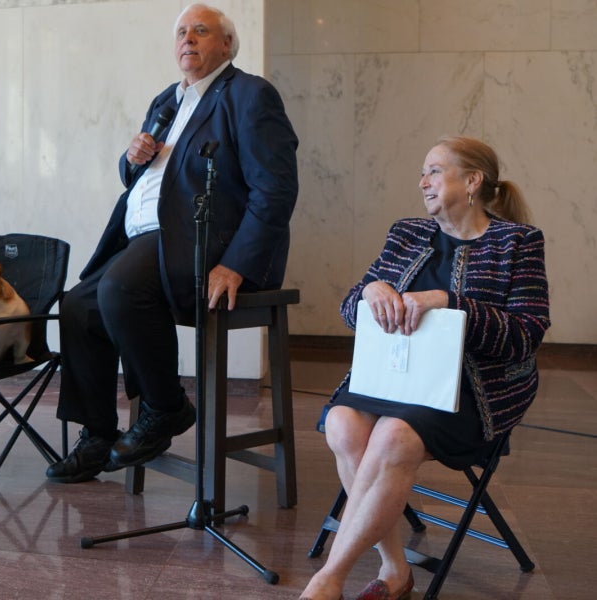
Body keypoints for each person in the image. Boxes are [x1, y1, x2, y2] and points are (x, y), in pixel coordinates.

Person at [46, 3, 299, 484]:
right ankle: (97, 435)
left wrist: (237, 263)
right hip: (144, 240)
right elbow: (138, 178)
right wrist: (131, 158)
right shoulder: (167, 100)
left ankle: (165, 408)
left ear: (227, 44)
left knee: (120, 288)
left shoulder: (249, 94)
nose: (187, 39)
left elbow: (276, 187)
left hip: (204, 245)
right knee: (79, 305)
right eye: (182, 32)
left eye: (200, 31)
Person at [298, 135, 550, 600]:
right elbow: (351, 310)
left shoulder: (517, 241)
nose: (423, 182)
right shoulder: (407, 233)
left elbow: (527, 334)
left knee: (393, 435)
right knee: (342, 424)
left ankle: (328, 578)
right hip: (394, 377)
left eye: (434, 171)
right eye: (422, 172)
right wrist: (369, 292)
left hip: (474, 389)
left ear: (471, 181)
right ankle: (395, 569)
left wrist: (452, 303)